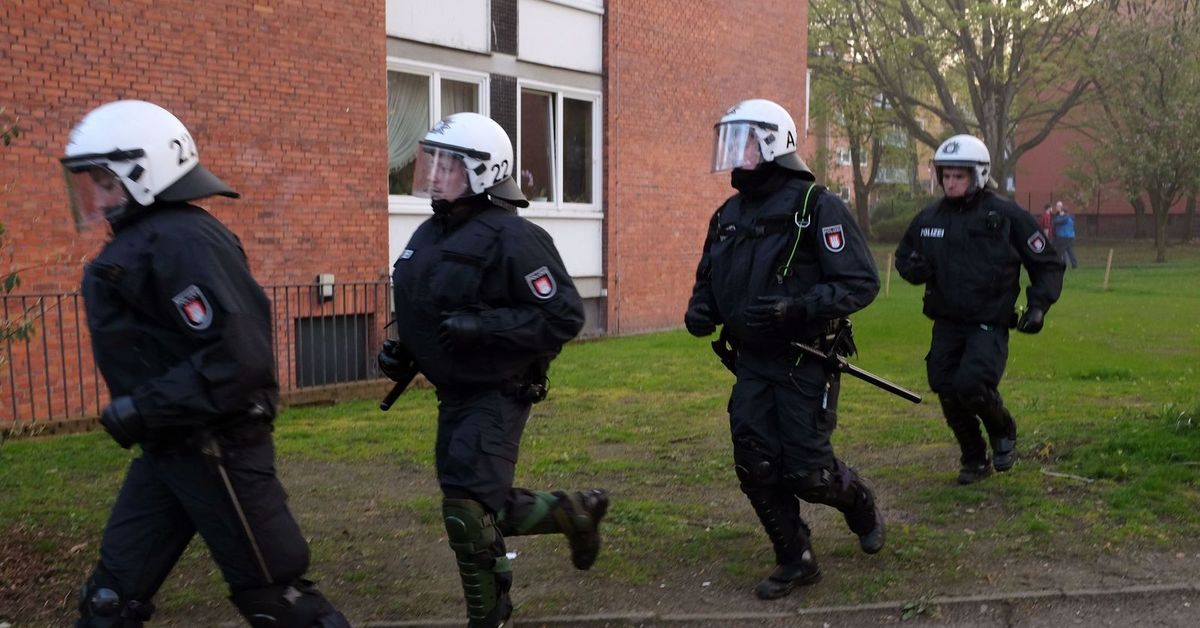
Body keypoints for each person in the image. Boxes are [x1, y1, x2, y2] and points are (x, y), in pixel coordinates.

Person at [62, 100, 349, 627]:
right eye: (90, 184)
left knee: (276, 601)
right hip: (169, 448)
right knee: (108, 602)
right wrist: (147, 414)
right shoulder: (145, 241)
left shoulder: (184, 240)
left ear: (144, 173)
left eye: (104, 182)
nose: (96, 199)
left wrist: (141, 407)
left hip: (220, 448)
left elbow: (238, 359)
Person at [378, 112, 608, 628]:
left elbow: (564, 315)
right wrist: (403, 349)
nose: (433, 174)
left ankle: (490, 614)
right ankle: (573, 512)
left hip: (499, 389)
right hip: (455, 391)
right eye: (430, 161)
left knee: (466, 507)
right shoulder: (429, 233)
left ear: (484, 172)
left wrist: (484, 327)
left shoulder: (514, 236)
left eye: (448, 165)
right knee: (482, 501)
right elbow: (430, 306)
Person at [684, 98, 885, 600]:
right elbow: (707, 277)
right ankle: (796, 558)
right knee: (754, 463)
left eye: (745, 141)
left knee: (809, 473)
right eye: (730, 142)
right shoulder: (727, 214)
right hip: (751, 363)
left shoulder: (817, 206)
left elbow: (860, 282)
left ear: (774, 143)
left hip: (804, 360)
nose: (735, 153)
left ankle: (858, 500)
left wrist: (798, 307)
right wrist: (701, 308)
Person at [894, 134, 1064, 485]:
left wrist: (1038, 307)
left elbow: (1046, 261)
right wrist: (915, 268)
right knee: (944, 385)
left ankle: (1003, 427)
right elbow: (904, 257)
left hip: (988, 320)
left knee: (971, 384)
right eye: (947, 176)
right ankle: (974, 457)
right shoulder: (929, 217)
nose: (951, 183)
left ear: (979, 175)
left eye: (960, 176)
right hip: (946, 320)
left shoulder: (1005, 215)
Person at [1054, 201, 1078, 269]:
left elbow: (1056, 222)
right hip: (1070, 237)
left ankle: (1061, 264)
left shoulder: (1064, 218)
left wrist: (1059, 216)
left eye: (1061, 211)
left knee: (1060, 251)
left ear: (1063, 211)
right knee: (1069, 251)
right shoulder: (1070, 217)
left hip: (1063, 237)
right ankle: (1074, 264)